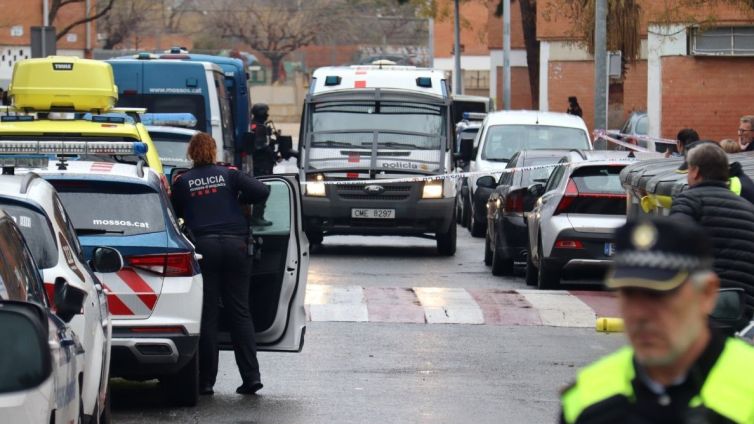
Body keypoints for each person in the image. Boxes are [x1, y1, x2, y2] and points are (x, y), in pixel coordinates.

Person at [560, 217, 754, 423]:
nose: (640, 314)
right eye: (629, 294)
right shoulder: (587, 400)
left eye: (658, 296)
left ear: (706, 294)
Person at [172, 132, 271, 396]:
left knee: (208, 315)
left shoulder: (183, 182)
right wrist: (237, 201)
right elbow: (263, 190)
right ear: (214, 151)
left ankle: (206, 382)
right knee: (240, 312)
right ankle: (251, 377)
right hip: (237, 245)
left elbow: (175, 213)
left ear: (191, 154)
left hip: (205, 248)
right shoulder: (230, 175)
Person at [670, 142, 754, 319]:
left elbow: (672, 246)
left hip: (702, 306)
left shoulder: (690, 201)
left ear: (696, 171)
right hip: (743, 310)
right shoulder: (749, 208)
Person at [249, 103, 275, 226]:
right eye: (265, 112)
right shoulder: (258, 127)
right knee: (263, 190)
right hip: (261, 165)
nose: (267, 114)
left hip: (263, 164)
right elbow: (259, 146)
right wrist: (270, 150)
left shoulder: (258, 126)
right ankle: (257, 217)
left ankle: (258, 216)